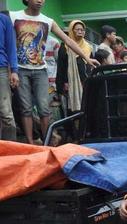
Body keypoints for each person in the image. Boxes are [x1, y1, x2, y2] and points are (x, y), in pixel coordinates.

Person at [11, 0, 99, 145]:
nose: (40, 0)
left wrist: (86, 59)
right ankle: (30, 142)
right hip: (20, 70)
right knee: (25, 108)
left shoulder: (48, 21)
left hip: (40, 70)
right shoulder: (14, 16)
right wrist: (10, 69)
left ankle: (47, 142)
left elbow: (68, 41)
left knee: (44, 108)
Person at [56, 20, 92, 114]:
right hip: (70, 83)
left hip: (85, 82)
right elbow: (61, 66)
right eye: (77, 29)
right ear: (72, 31)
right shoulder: (65, 46)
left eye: (82, 29)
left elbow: (90, 65)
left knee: (87, 106)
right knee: (72, 109)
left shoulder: (88, 47)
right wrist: (64, 83)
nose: (80, 31)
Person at [0, 9, 18, 140]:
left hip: (1, 69)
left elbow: (11, 47)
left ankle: (11, 150)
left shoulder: (4, 19)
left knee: (6, 112)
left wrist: (14, 71)